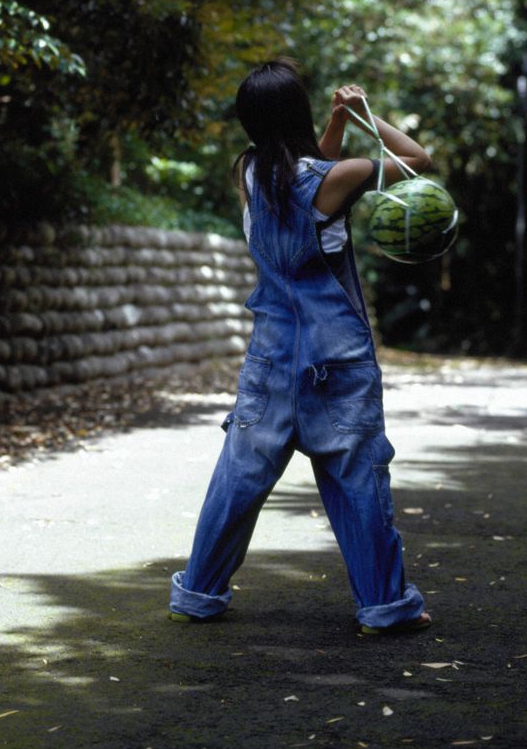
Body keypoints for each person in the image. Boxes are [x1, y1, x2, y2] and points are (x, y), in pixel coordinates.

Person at [168, 58, 432, 634]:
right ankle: (383, 605)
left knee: (239, 476)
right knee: (356, 475)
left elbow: (311, 170)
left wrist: (333, 126)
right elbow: (417, 162)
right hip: (335, 357)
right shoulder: (333, 180)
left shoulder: (252, 174)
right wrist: (364, 115)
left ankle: (199, 593)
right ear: (299, 112)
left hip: (271, 352)